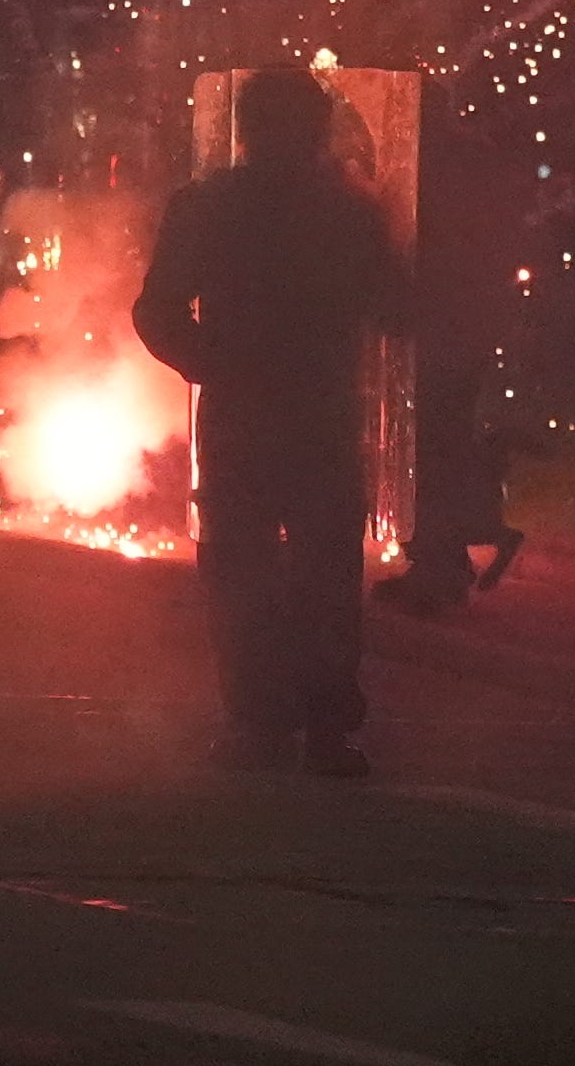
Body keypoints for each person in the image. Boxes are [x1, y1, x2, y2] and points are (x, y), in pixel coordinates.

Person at [130, 62, 411, 776]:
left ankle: (260, 725)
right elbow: (400, 309)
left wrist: (210, 362)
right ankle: (323, 729)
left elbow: (157, 310)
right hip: (318, 414)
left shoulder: (209, 207)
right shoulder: (347, 213)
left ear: (245, 130)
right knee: (324, 575)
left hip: (248, 416)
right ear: (319, 131)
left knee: (243, 573)